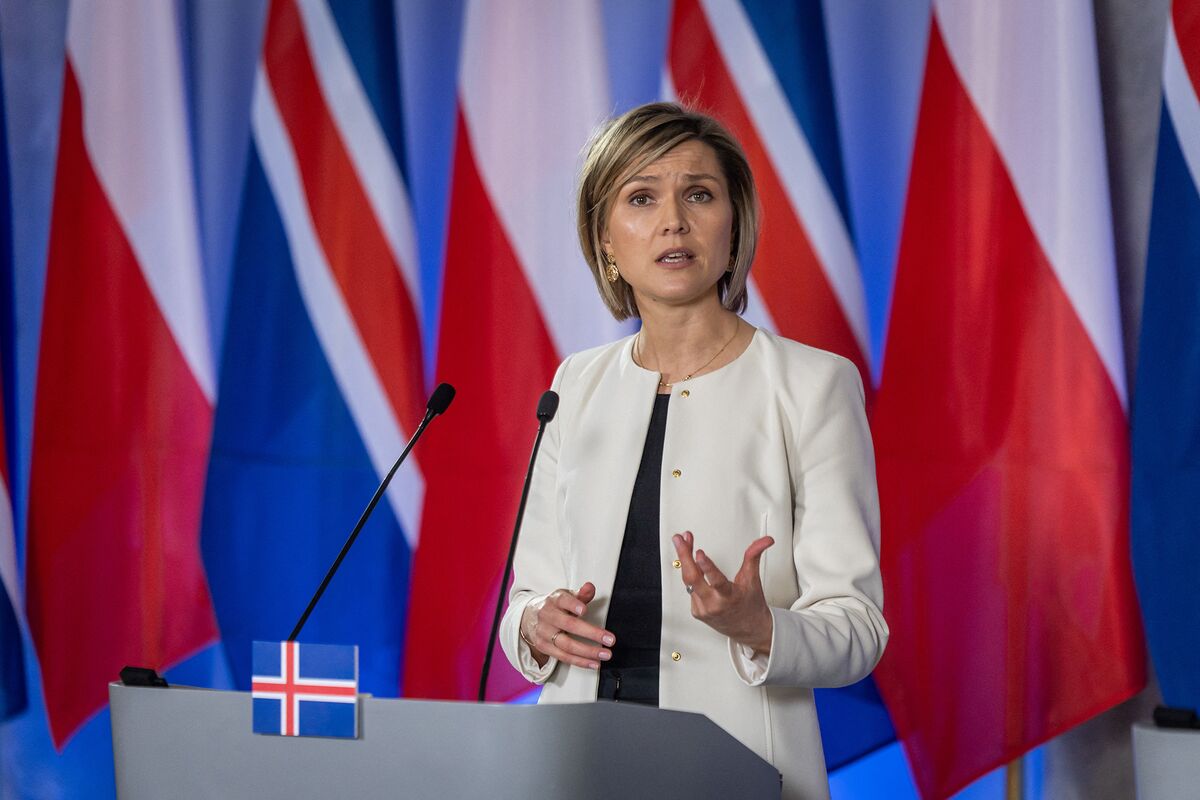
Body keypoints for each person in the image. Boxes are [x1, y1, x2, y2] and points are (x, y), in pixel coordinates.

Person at [499, 102, 887, 800]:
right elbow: (526, 597)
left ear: (734, 226)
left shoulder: (814, 386)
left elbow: (858, 630)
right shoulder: (573, 385)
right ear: (605, 239)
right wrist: (534, 624)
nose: (673, 221)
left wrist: (760, 627)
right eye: (641, 198)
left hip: (739, 771)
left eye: (699, 194)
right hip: (579, 767)